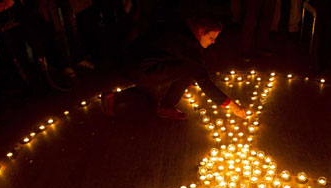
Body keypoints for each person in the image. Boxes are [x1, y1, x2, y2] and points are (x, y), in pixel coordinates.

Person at [103, 15, 245, 120]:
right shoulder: (189, 46)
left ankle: (114, 97)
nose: (213, 42)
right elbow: (205, 82)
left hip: (127, 59)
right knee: (189, 72)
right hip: (140, 70)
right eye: (211, 38)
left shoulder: (181, 24)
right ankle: (165, 107)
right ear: (201, 31)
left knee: (175, 78)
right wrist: (233, 105)